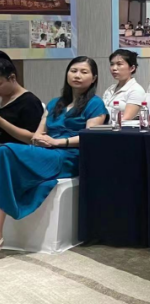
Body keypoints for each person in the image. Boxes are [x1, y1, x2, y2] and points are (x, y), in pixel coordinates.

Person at [0, 57, 108, 249]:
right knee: (4, 157)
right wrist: (39, 139)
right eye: (73, 71)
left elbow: (89, 137)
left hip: (69, 155)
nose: (77, 75)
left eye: (84, 72)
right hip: (45, 151)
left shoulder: (95, 104)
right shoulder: (54, 103)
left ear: (93, 78)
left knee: (5, 151)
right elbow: (38, 134)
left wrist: (58, 142)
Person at [0, 58, 44, 145]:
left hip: (15, 150)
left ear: (12, 78)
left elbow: (34, 138)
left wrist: (2, 122)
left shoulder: (30, 102)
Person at [103, 49, 146, 120]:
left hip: (121, 126)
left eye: (119, 64)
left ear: (132, 68)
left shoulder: (136, 90)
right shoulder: (110, 89)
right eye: (112, 64)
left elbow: (126, 119)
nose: (114, 68)